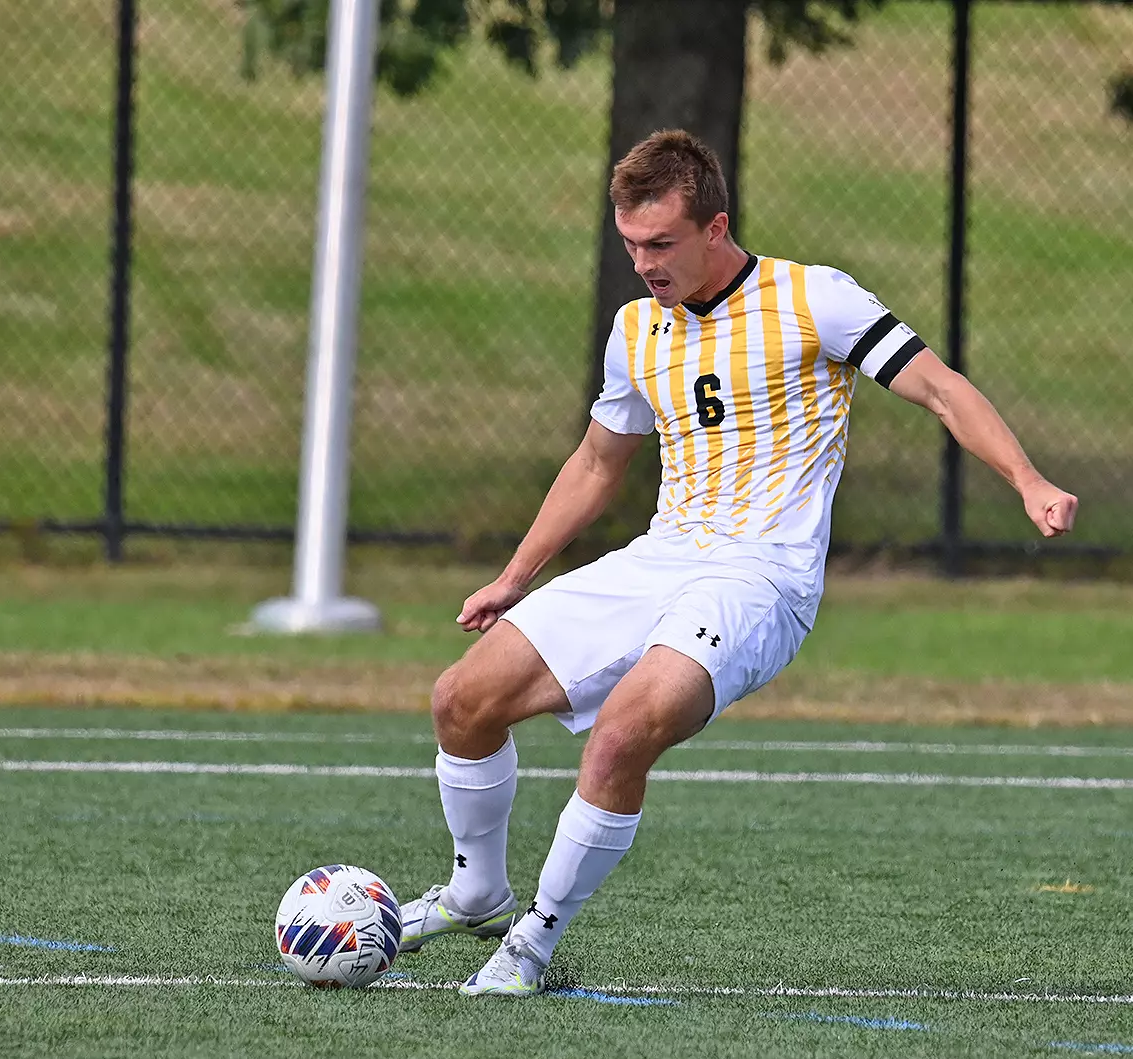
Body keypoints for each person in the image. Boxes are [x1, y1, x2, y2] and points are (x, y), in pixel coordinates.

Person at [400, 129, 1078, 996]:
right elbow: (599, 462)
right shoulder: (636, 330)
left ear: (715, 227)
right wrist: (515, 576)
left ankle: (532, 943)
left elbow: (940, 388)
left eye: (661, 244)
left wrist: (1026, 479)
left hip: (762, 580)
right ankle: (475, 889)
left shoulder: (813, 300)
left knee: (621, 738)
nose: (644, 263)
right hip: (661, 558)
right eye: (631, 244)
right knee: (462, 700)